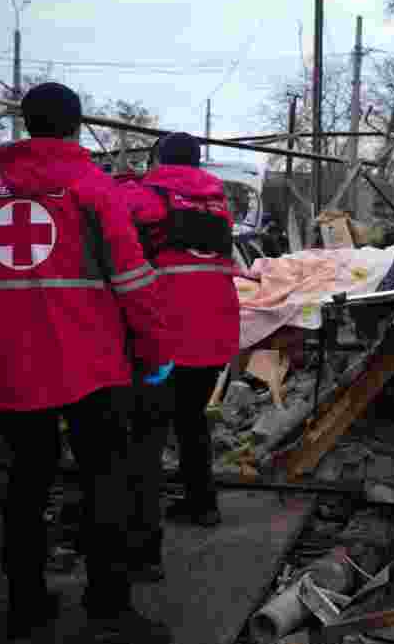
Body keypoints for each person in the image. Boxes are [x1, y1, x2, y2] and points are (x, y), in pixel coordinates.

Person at [0, 82, 176, 642]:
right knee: (105, 480)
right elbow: (132, 279)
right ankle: (108, 607)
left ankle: (25, 604)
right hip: (91, 364)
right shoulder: (90, 184)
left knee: (25, 485)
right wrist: (154, 352)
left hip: (11, 364)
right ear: (76, 126)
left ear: (27, 125)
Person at [121, 132, 239, 580]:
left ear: (158, 158)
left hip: (167, 326)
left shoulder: (143, 193)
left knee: (146, 433)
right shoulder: (217, 199)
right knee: (191, 419)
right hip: (217, 324)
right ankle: (202, 503)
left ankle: (141, 550)